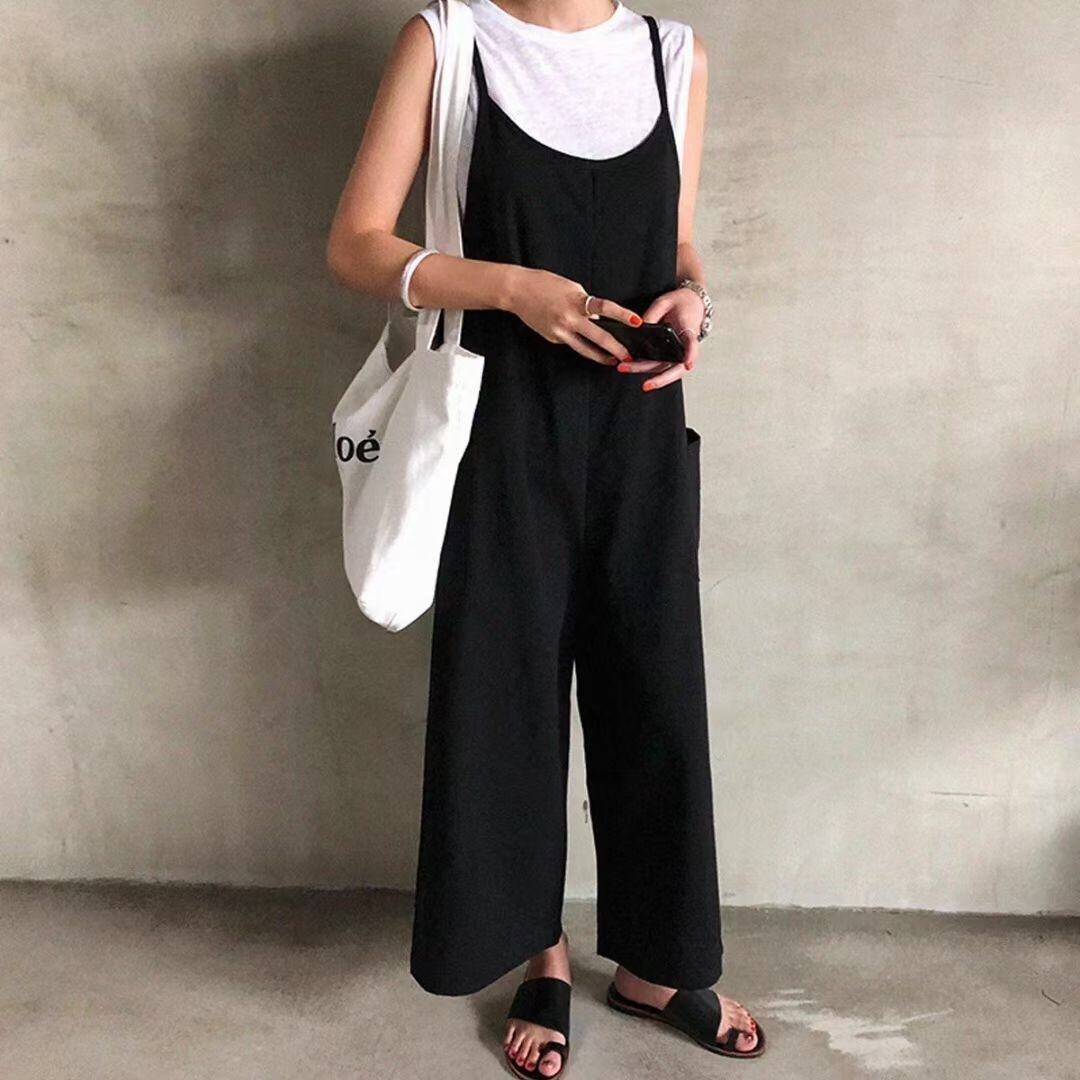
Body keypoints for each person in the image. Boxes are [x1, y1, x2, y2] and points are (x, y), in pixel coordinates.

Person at [326, 1, 765, 1074]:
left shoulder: (672, 56)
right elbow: (355, 245)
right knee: (505, 696)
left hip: (639, 426)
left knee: (656, 690)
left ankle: (659, 963)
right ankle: (543, 954)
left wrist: (694, 300)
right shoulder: (449, 41)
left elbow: (676, 241)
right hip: (497, 422)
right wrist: (508, 287)